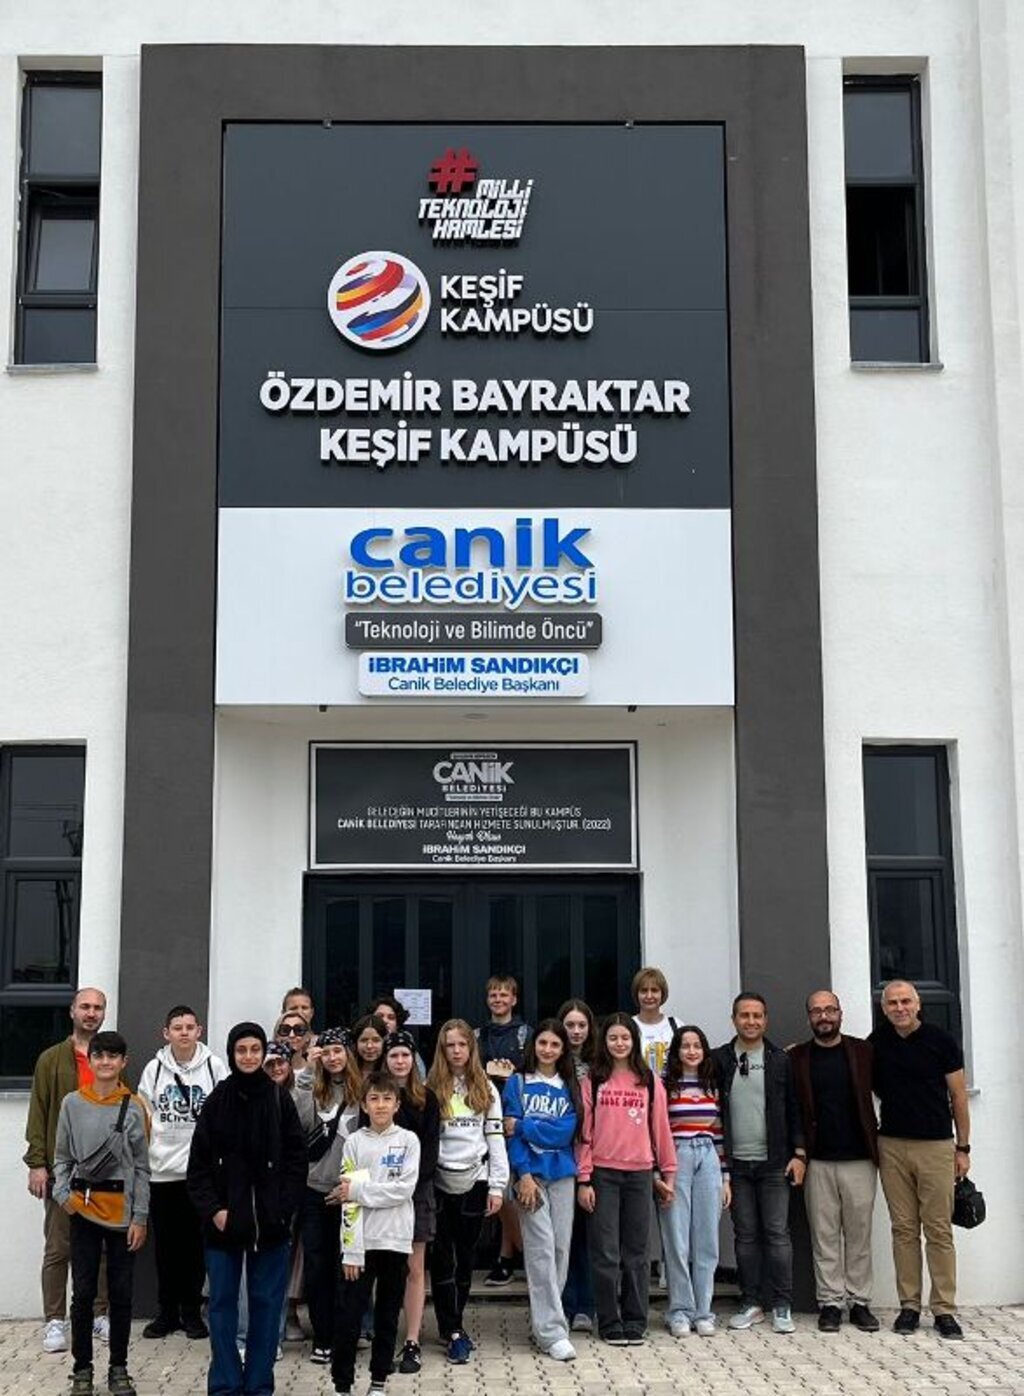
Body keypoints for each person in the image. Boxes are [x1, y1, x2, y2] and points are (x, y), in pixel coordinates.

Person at [187, 1021, 307, 1396]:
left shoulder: (279, 1100)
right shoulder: (216, 1101)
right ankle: (225, 1384)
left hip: (270, 1225)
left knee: (266, 1307)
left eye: (256, 1049)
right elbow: (198, 1167)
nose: (249, 1056)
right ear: (231, 1053)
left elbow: (296, 1161)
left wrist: (283, 1209)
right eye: (242, 1050)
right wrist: (215, 1211)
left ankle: (258, 1384)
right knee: (222, 1306)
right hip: (223, 1225)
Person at [869, 980, 971, 1340]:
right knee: (904, 1230)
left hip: (936, 1147)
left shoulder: (941, 1041)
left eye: (905, 1001)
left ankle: (944, 1309)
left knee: (939, 1230)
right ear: (884, 1009)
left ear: (917, 1004)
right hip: (892, 1145)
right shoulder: (876, 1043)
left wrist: (963, 1147)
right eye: (892, 1003)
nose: (899, 1008)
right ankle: (909, 1307)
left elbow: (959, 1096)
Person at [52, 1030, 150, 1396]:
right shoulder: (72, 1104)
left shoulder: (134, 1106)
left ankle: (118, 1367)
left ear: (124, 1062)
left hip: (122, 1215)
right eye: (100, 1055)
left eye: (113, 1056)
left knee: (121, 1295)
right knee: (83, 1294)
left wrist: (140, 1216)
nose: (106, 1062)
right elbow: (62, 1157)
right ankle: (82, 1369)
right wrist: (65, 1197)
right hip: (83, 1213)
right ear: (90, 1060)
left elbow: (142, 1168)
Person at [576, 1012, 675, 1346]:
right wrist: (584, 1178)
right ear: (604, 1042)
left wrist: (668, 1173)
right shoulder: (593, 1080)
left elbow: (661, 1130)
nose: (619, 1043)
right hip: (602, 1174)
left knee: (637, 1252)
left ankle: (635, 1318)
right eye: (613, 1038)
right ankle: (609, 1319)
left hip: (640, 1174)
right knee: (605, 1252)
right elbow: (584, 1133)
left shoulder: (649, 1080)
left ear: (635, 1041)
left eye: (625, 1038)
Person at [711, 993, 805, 1335]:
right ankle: (751, 1303)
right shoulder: (719, 1059)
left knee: (777, 1234)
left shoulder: (780, 1060)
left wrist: (799, 1154)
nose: (751, 1021)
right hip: (735, 1164)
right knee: (746, 1235)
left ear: (766, 1020)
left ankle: (782, 1305)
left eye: (757, 1016)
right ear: (734, 1019)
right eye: (744, 1015)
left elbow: (795, 1107)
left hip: (774, 1163)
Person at [24, 986, 111, 1354]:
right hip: (62, 1171)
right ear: (72, 1011)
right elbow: (38, 1112)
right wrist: (37, 1163)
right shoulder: (51, 1059)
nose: (91, 1013)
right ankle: (55, 1320)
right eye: (85, 1007)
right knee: (59, 1247)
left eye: (98, 1008)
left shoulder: (110, 1056)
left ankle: (99, 1314)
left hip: (104, 1172)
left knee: (102, 1248)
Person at [789, 990, 879, 1333]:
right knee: (824, 1236)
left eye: (830, 1010)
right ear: (809, 1017)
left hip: (860, 1158)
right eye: (817, 1011)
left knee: (859, 1236)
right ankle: (830, 1303)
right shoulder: (797, 1057)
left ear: (840, 1013)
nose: (824, 1016)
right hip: (818, 1160)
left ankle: (860, 1303)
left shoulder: (863, 1051)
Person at [137, 1003, 228, 1340]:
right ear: (167, 1033)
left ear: (199, 1031)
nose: (184, 1033)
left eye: (190, 1027)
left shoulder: (214, 1066)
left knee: (195, 1247)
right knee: (166, 1248)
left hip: (201, 1175)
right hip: (163, 1172)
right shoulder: (154, 1070)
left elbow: (224, 1112)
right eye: (178, 1028)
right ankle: (167, 1312)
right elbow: (144, 1115)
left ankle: (191, 1311)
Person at [330, 1073, 420, 1396]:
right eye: (374, 1099)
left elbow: (403, 1190)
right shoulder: (355, 1142)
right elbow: (348, 1202)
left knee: (387, 1315)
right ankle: (342, 1385)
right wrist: (351, 1251)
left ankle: (379, 1381)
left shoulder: (409, 1141)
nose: (380, 1105)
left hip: (395, 1240)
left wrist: (360, 1190)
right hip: (361, 1245)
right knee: (348, 1317)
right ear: (364, 1105)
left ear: (397, 1104)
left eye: (387, 1099)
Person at [425, 1018, 509, 1363]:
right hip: (439, 1183)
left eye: (462, 1044)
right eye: (450, 1045)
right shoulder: (430, 1086)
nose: (457, 1051)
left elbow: (495, 1138)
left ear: (471, 1048)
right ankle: (451, 1329)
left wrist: (498, 1185)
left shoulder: (486, 1088)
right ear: (442, 1049)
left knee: (465, 1259)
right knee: (441, 1259)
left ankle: (456, 1323)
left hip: (475, 1181)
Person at [503, 1019, 581, 1362]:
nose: (548, 1050)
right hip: (530, 1177)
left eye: (555, 1045)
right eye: (543, 1043)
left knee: (561, 1249)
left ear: (563, 1050)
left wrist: (524, 1125)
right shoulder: (518, 1082)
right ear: (533, 1045)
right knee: (541, 1251)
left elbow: (566, 1132)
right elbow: (508, 1134)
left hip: (562, 1174)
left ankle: (546, 1321)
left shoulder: (569, 1084)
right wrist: (522, 1174)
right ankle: (552, 1331)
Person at [294, 1027, 362, 1363]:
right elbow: (298, 1124)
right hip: (314, 1192)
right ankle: (322, 1336)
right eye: (327, 1051)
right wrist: (308, 1072)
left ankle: (345, 1336)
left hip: (351, 1193)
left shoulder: (363, 1091)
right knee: (317, 1266)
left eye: (339, 1050)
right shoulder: (313, 1089)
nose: (333, 1057)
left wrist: (352, 1185)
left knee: (348, 1267)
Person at [660, 1024, 730, 1338]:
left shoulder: (711, 1084)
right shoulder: (665, 1084)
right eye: (685, 1046)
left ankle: (703, 1311)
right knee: (677, 1239)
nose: (691, 1051)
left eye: (697, 1046)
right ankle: (679, 1310)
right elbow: (658, 1130)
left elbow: (719, 1132)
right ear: (676, 1051)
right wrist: (660, 1173)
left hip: (708, 1157)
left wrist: (725, 1177)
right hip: (677, 1157)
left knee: (707, 1239)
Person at [378, 1030, 440, 1376]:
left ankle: (412, 1340)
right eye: (394, 1055)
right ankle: (384, 1339)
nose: (400, 1061)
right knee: (386, 1268)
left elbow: (430, 1152)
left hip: (416, 1192)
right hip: (381, 1192)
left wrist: (406, 1185)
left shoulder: (426, 1099)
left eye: (405, 1055)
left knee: (415, 1268)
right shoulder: (377, 1097)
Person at [475, 974, 532, 1286]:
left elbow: (535, 1071)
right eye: (493, 995)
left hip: (515, 1117)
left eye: (504, 995)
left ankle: (512, 1256)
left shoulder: (526, 1034)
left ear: (514, 999)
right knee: (499, 1189)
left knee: (511, 1190)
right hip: (485, 1117)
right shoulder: (477, 1035)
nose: (498, 1000)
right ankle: (513, 1255)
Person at [557, 998, 597, 1333]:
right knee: (562, 1239)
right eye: (570, 1025)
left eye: (581, 1025)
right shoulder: (552, 1063)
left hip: (592, 1161)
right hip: (558, 1160)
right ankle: (564, 1305)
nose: (575, 1031)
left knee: (587, 1238)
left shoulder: (600, 1066)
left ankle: (587, 1305)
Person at [631, 967, 678, 1075]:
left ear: (662, 993)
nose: (649, 996)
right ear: (636, 994)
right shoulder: (629, 1026)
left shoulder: (676, 1025)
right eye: (644, 991)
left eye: (654, 990)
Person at [274, 1010, 314, 1076]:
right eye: (285, 1030)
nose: (291, 1035)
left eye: (299, 1030)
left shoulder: (316, 1070)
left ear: (308, 1036)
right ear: (277, 1036)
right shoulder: (267, 1070)